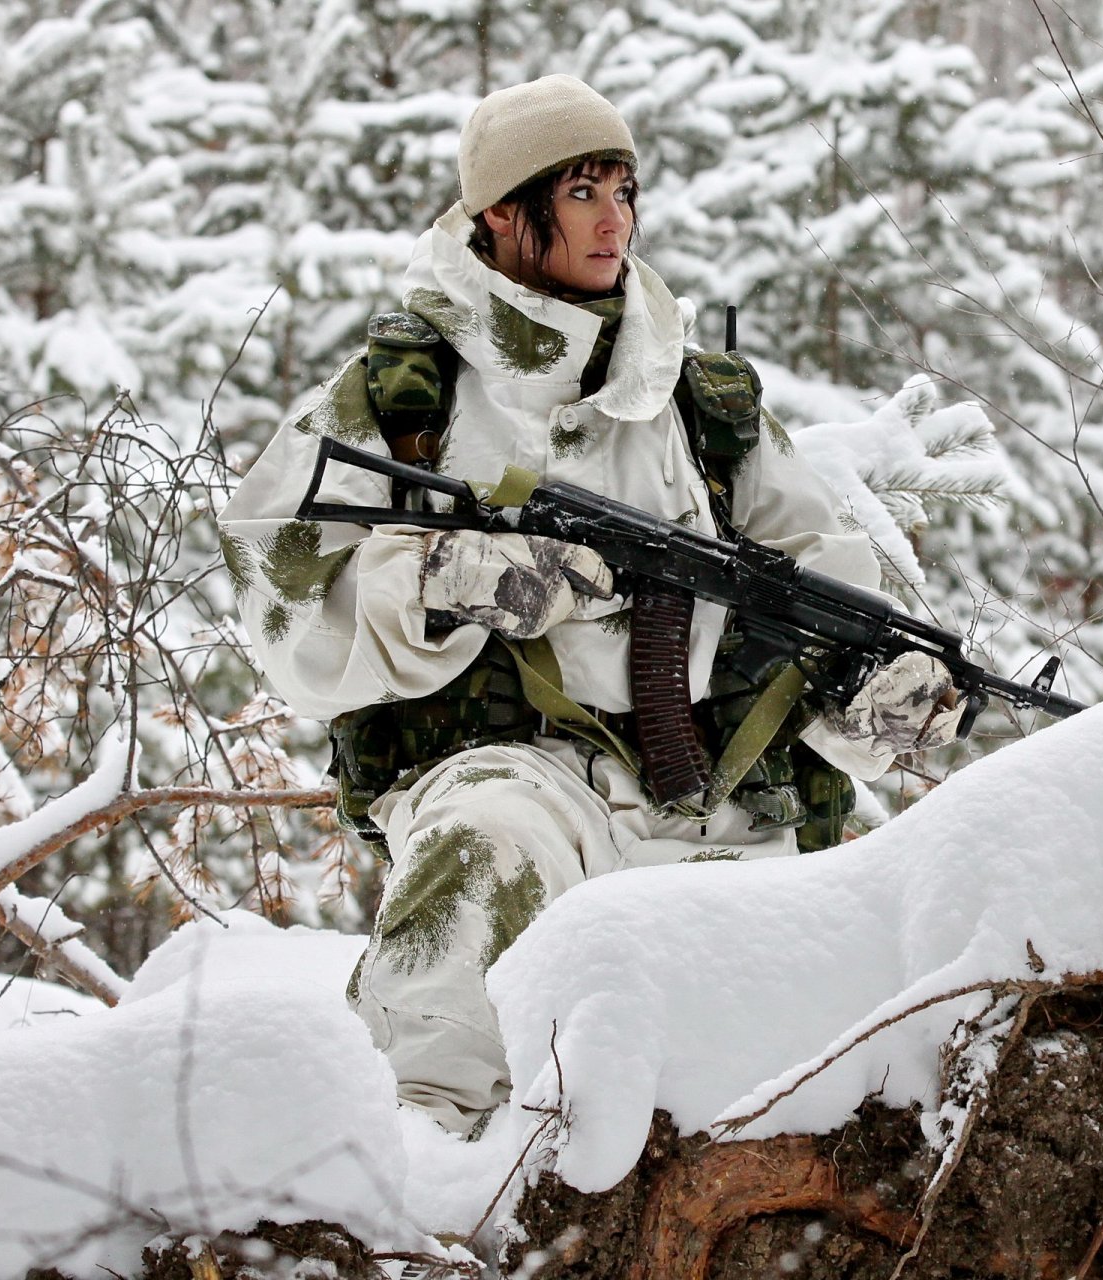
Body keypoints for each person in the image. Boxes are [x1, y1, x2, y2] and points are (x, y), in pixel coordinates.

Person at [219, 75, 961, 1135]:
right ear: (501, 216)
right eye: (579, 190)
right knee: (479, 862)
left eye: (624, 186)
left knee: (841, 1013)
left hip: (712, 782)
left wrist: (867, 694)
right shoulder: (405, 390)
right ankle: (412, 1169)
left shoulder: (696, 399)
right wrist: (438, 582)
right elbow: (274, 595)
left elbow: (823, 575)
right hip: (510, 767)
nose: (614, 215)